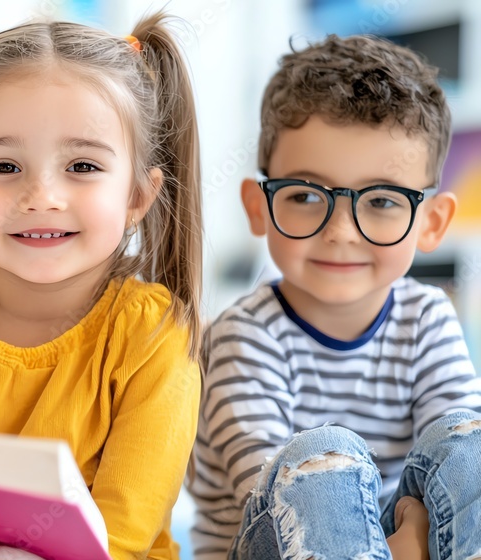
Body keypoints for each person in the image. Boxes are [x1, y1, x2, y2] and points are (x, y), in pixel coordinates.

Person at [0, 14, 203, 560]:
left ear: (138, 196)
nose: (42, 195)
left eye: (82, 165)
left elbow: (119, 537)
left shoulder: (152, 333)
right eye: (3, 165)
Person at [188, 34, 481, 560]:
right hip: (277, 544)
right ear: (259, 208)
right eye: (304, 195)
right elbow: (275, 504)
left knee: (475, 442)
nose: (342, 231)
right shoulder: (243, 336)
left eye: (383, 201)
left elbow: (460, 460)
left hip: (394, 540)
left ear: (431, 223)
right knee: (323, 459)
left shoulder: (427, 317)